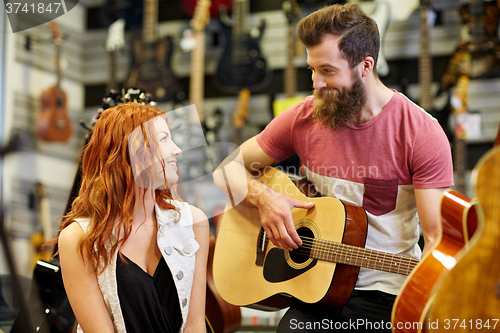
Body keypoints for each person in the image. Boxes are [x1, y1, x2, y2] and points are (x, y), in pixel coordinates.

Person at [214, 3, 453, 333]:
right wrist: (264, 200)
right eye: (312, 70)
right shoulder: (303, 118)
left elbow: (437, 240)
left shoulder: (421, 133)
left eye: (327, 71)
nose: (315, 83)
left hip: (384, 294)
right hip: (313, 287)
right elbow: (224, 172)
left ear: (365, 66)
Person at [57, 102, 209, 333]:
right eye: (164, 139)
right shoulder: (77, 239)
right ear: (131, 151)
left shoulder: (192, 222)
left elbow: (196, 324)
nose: (176, 150)